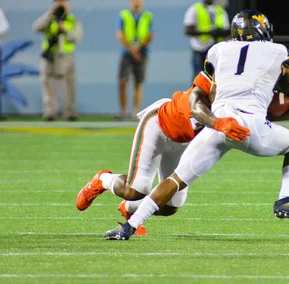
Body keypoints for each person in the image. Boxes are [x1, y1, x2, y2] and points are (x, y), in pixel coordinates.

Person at [104, 9, 289, 241]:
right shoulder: (279, 51)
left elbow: (212, 91)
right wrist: (268, 118)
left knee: (175, 180)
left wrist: (220, 123)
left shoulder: (217, 50)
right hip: (252, 126)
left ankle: (128, 228)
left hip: (219, 125)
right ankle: (286, 199)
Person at [76, 68, 215, 235]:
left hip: (184, 143)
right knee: (136, 189)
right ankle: (103, 179)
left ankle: (128, 207)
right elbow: (195, 106)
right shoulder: (212, 79)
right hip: (158, 125)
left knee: (170, 206)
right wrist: (219, 123)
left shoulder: (242, 95)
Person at [32, 0, 82, 121]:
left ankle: (70, 112)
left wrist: (65, 29)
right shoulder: (49, 18)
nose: (60, 7)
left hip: (66, 55)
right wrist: (49, 14)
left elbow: (77, 37)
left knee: (69, 85)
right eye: (58, 5)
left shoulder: (72, 20)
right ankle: (50, 112)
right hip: (50, 54)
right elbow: (36, 28)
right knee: (48, 84)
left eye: (63, 5)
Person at [116, 0, 153, 119]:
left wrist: (139, 48)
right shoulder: (124, 15)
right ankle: (123, 112)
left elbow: (150, 35)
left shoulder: (147, 16)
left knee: (138, 83)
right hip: (127, 52)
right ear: (130, 0)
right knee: (122, 81)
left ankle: (135, 112)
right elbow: (120, 34)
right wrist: (132, 49)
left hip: (142, 53)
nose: (136, 1)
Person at [183, 0, 229, 79]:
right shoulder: (195, 9)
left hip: (215, 47)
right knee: (199, 76)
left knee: (216, 76)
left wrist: (217, 32)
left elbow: (227, 30)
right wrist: (207, 32)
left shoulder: (220, 10)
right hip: (200, 47)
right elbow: (188, 30)